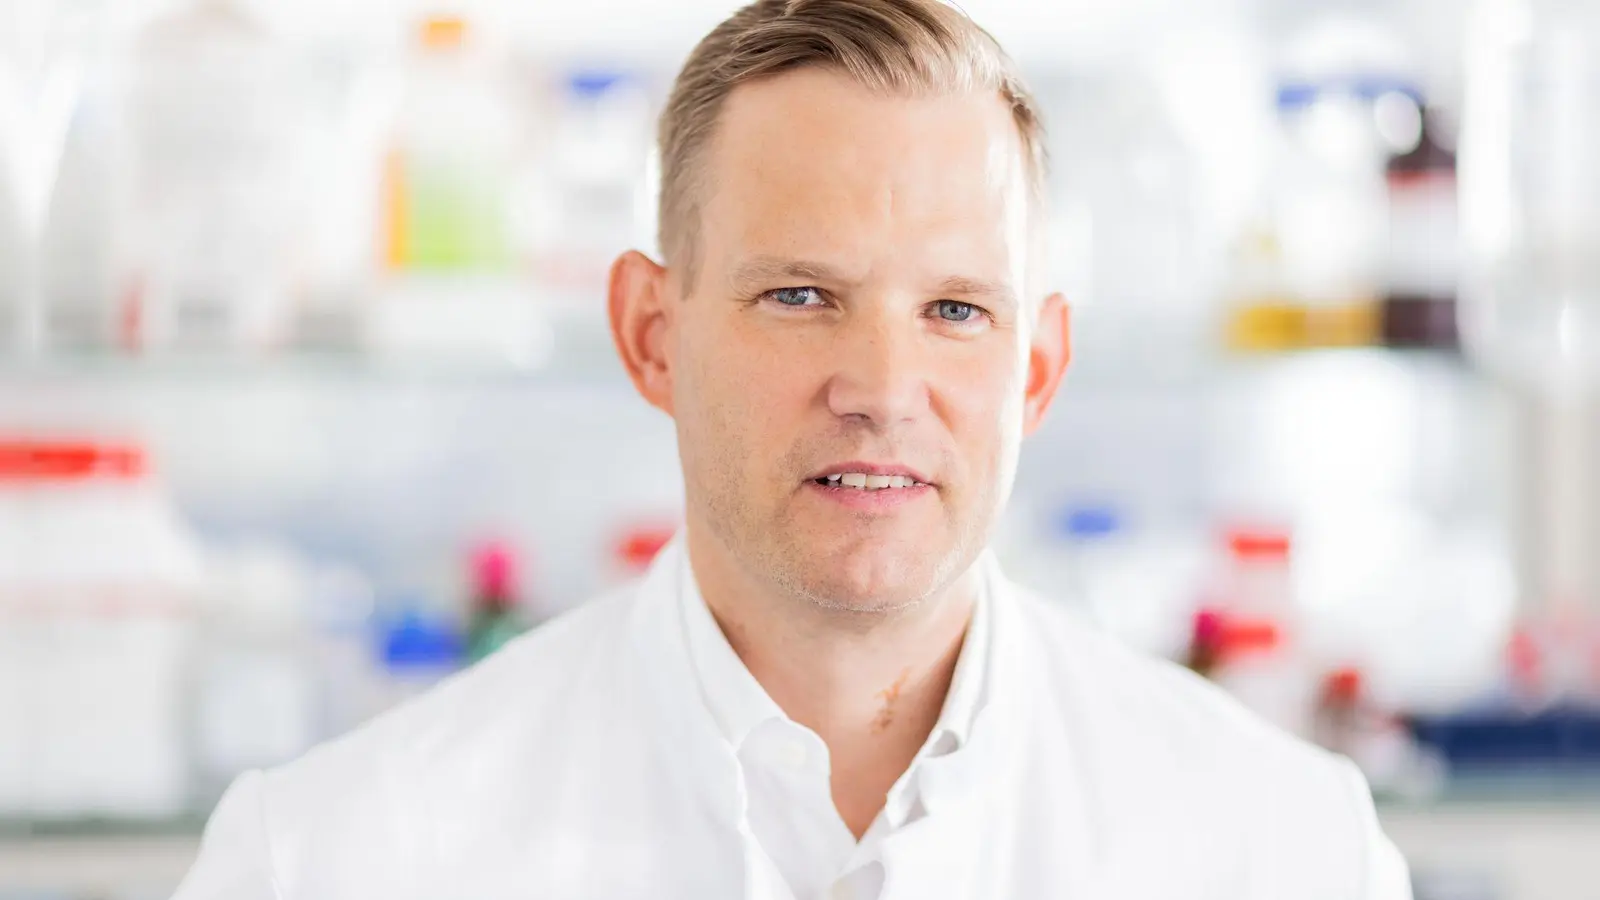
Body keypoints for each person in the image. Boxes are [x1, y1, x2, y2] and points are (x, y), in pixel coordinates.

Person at [173, 1, 1412, 898]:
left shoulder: (1284, 849)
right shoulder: (337, 858)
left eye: (955, 310)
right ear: (651, 336)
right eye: (801, 296)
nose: (880, 390)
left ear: (1034, 370)